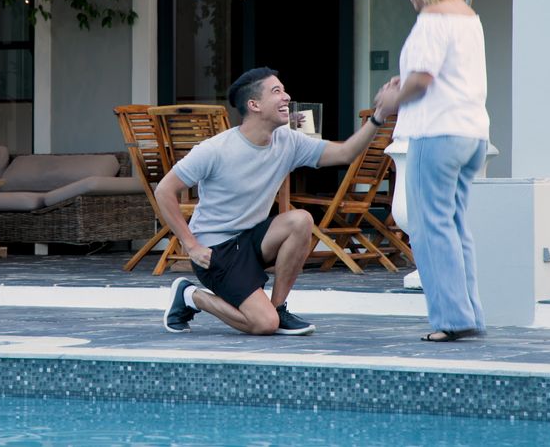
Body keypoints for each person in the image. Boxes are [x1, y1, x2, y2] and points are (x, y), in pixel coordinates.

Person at [156, 67, 398, 336]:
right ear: (254, 104)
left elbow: (345, 153)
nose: (286, 97)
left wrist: (380, 115)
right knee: (263, 325)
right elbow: (164, 190)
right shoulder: (215, 150)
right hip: (217, 250)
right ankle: (191, 296)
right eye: (276, 91)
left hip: (252, 239)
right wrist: (190, 245)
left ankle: (278, 308)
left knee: (300, 219)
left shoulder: (288, 141)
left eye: (283, 90)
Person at [384, 0, 491, 343]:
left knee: (430, 228)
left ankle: (449, 318)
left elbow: (423, 78)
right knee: (456, 225)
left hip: (437, 133)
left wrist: (393, 96)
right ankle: (469, 313)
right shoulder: (469, 19)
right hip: (471, 133)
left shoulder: (432, 20)